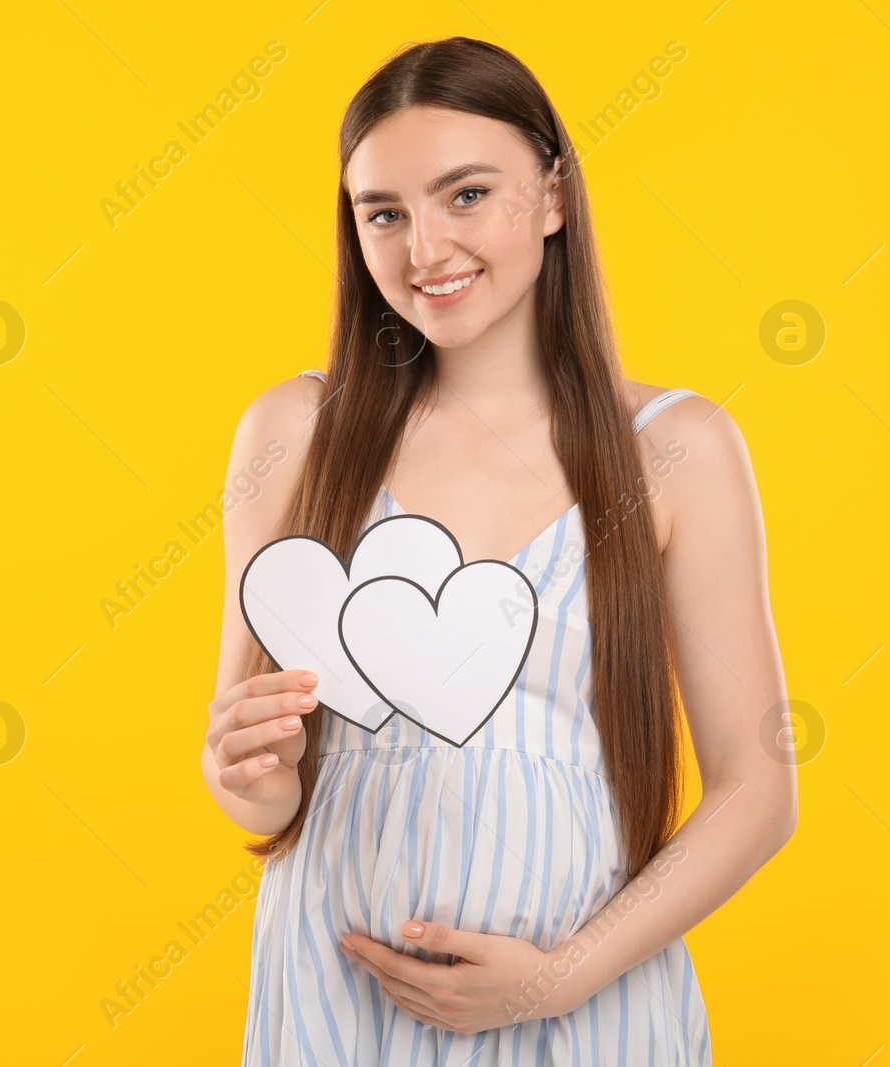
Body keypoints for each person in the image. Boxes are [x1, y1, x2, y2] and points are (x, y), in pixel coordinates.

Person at [201, 37, 796, 1065]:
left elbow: (757, 787)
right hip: (336, 1000)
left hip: (588, 1006)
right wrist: (245, 772)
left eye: (466, 194)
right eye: (382, 211)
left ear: (555, 194)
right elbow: (255, 774)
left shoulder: (679, 450)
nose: (422, 246)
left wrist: (553, 981)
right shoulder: (292, 432)